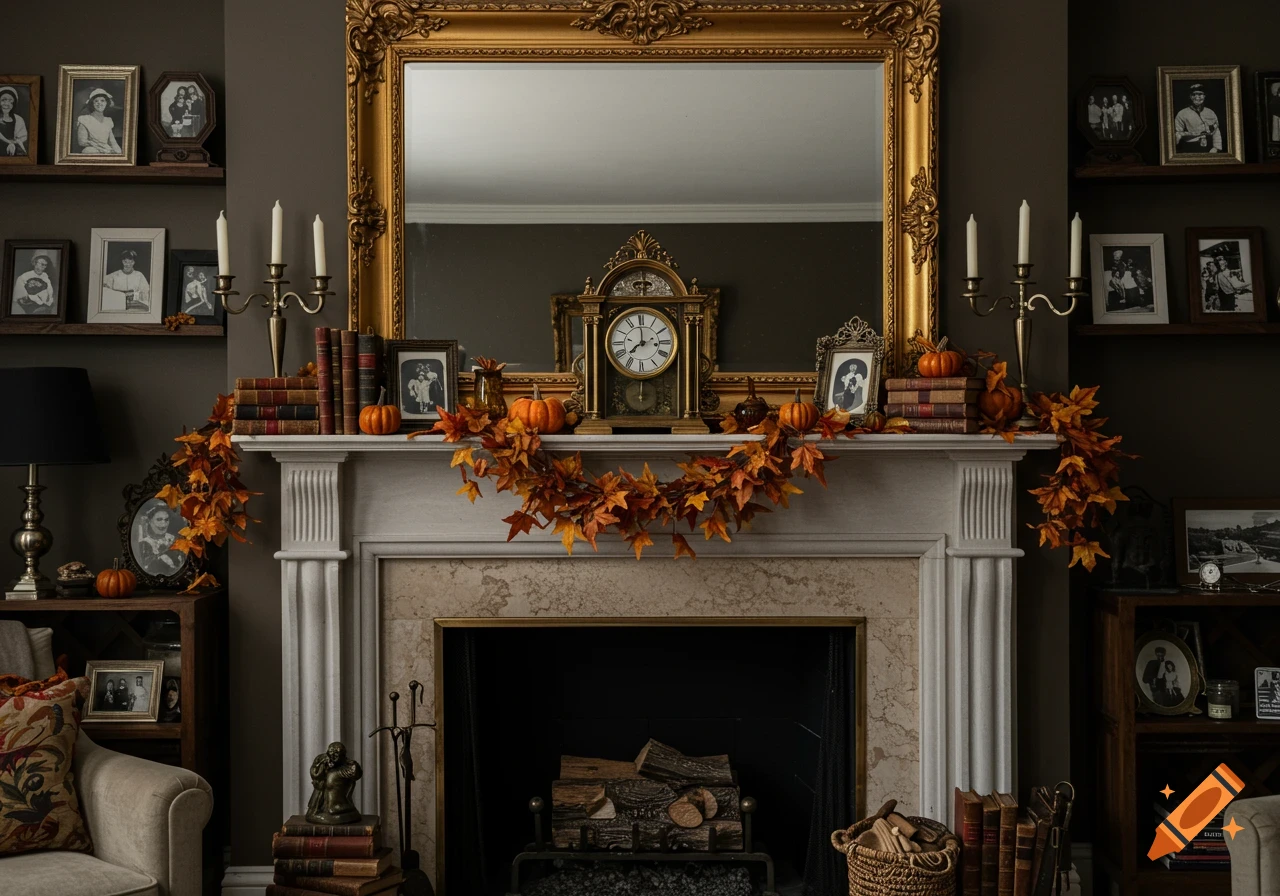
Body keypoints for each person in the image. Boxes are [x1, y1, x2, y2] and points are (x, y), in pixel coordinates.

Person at [1174, 83, 1222, 154]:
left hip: (1209, 149)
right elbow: (1177, 134)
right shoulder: (1182, 113)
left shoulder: (1210, 112)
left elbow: (1216, 131)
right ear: (1190, 96)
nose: (1197, 97)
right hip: (1190, 148)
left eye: (1200, 94)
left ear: (1204, 96)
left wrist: (1216, 148)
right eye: (1194, 95)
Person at [135, 504, 183, 576]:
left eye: (166, 520)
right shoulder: (145, 543)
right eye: (159, 519)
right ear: (150, 521)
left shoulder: (173, 538)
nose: (164, 523)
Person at [75, 87, 122, 155]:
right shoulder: (85, 119)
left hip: (107, 150)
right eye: (96, 101)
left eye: (102, 100)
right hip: (92, 150)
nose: (99, 103)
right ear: (92, 104)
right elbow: (82, 141)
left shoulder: (108, 121)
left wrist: (119, 153)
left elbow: (112, 142)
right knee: (89, 150)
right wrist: (101, 149)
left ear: (106, 103)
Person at [0, 86, 28, 158]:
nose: (7, 103)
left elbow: (22, 137)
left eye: (10, 101)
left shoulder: (18, 119)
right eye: (3, 100)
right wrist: (8, 142)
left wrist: (13, 144)